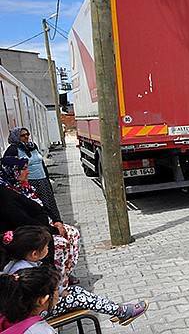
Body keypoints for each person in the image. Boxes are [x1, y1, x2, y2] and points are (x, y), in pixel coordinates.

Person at [1, 226, 148, 325]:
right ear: (34, 254)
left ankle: (116, 310)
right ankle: (120, 311)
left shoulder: (18, 265)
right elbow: (41, 293)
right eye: (46, 247)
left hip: (32, 309)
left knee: (75, 293)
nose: (48, 249)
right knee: (77, 296)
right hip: (34, 313)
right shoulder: (22, 270)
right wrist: (60, 291)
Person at [0, 156, 80, 289]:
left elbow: (43, 206)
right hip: (28, 234)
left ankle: (65, 273)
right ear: (13, 172)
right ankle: (57, 284)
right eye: (24, 169)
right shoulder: (6, 195)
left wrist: (57, 221)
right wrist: (52, 229)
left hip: (42, 225)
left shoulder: (24, 187)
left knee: (73, 233)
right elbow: (24, 222)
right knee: (61, 243)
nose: (28, 172)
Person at [4, 128, 60, 225]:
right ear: (16, 137)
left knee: (49, 204)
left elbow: (41, 163)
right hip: (29, 182)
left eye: (27, 134)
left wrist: (46, 178)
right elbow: (8, 167)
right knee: (38, 205)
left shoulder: (33, 146)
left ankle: (56, 223)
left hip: (42, 180)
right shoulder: (13, 149)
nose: (26, 137)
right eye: (22, 135)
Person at [0, 265, 61, 334]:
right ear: (42, 300)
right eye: (57, 289)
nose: (58, 292)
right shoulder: (41, 331)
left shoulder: (5, 317)